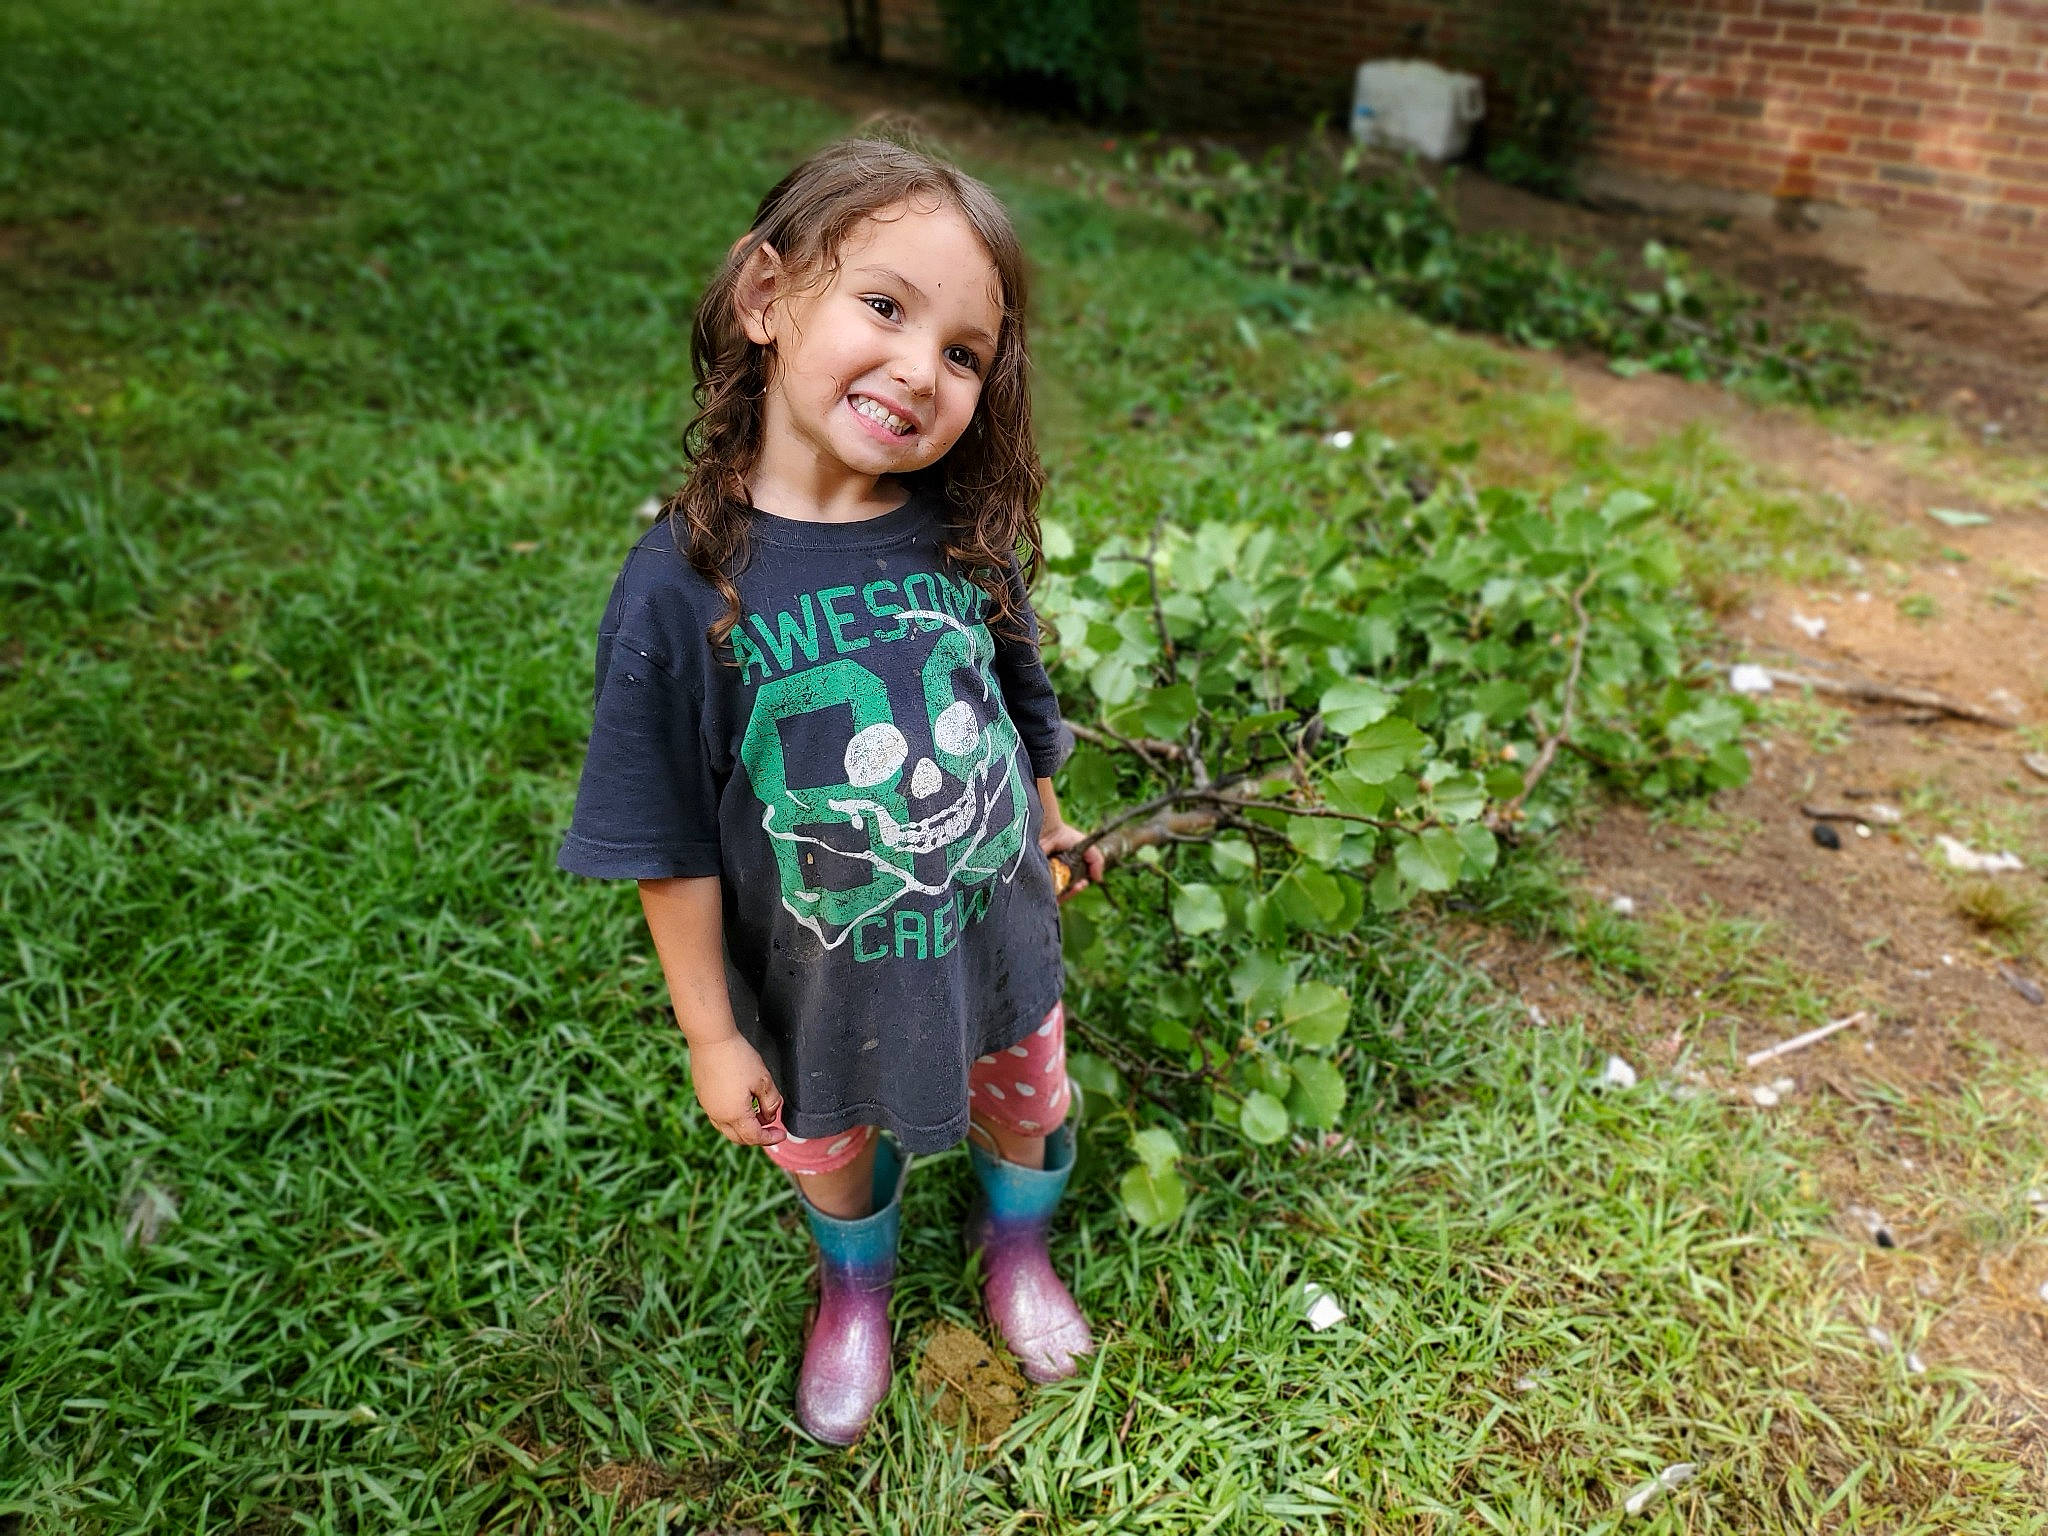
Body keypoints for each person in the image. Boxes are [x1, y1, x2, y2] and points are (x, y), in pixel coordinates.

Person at [556, 133, 1108, 1448]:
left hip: (998, 944)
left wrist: (1050, 822)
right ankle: (853, 1289)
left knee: (1024, 1101)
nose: (923, 368)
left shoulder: (961, 539)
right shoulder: (680, 588)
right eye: (884, 306)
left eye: (966, 352)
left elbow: (1014, 704)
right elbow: (666, 838)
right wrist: (711, 1032)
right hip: (817, 978)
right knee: (837, 1138)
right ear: (764, 299)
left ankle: (1016, 1253)